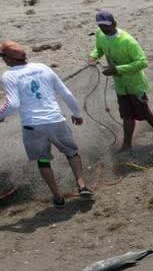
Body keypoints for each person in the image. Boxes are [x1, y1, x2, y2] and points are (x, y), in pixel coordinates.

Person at [0, 42, 90, 204]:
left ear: (10, 58)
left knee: (43, 160)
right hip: (56, 120)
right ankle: (82, 184)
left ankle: (58, 196)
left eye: (2, 56)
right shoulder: (43, 67)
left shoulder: (8, 76)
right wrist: (76, 113)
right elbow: (66, 93)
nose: (2, 60)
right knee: (71, 152)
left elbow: (12, 104)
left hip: (32, 126)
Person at [89, 9, 153, 151]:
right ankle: (127, 144)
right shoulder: (100, 34)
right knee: (126, 115)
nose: (104, 29)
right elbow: (99, 48)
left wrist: (117, 69)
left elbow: (142, 62)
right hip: (120, 85)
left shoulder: (128, 41)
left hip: (135, 85)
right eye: (101, 27)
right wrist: (93, 56)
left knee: (145, 113)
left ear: (114, 23)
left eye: (106, 26)